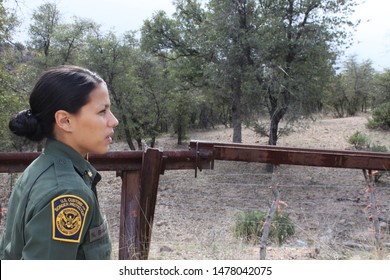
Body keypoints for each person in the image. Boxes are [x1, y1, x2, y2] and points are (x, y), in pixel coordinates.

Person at [0, 65, 119, 260]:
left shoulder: (42, 167)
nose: (113, 121)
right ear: (65, 121)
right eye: (101, 111)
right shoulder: (67, 191)